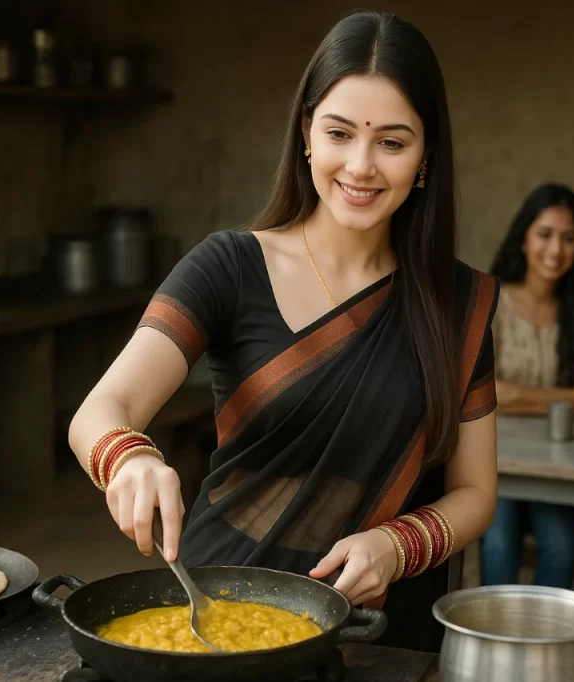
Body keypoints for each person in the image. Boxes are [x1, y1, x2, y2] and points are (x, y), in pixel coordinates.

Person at [68, 12, 500, 653]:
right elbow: (102, 409)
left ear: (426, 154)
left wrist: (397, 544)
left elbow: (476, 492)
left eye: (391, 141)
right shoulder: (229, 267)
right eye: (339, 132)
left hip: (378, 628)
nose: (360, 166)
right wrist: (129, 458)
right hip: (217, 609)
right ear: (306, 134)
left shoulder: (459, 303)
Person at [478, 183, 574, 588]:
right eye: (545, 234)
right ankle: (498, 646)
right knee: (496, 545)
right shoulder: (489, 300)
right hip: (493, 457)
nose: (556, 249)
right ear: (524, 239)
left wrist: (512, 394)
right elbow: (481, 393)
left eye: (568, 238)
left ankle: (551, 646)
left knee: (563, 547)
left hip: (560, 466)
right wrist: (561, 401)